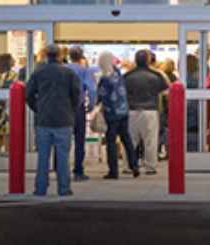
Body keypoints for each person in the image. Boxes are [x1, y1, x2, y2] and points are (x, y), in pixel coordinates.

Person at [25, 43, 81, 197]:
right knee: (63, 157)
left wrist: (38, 108)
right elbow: (77, 96)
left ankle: (40, 188)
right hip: (64, 120)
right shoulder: (69, 73)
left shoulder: (38, 73)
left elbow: (28, 95)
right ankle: (64, 188)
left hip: (44, 120)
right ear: (60, 56)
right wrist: (71, 111)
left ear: (46, 56)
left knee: (43, 157)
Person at [95, 51, 140, 179]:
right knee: (126, 139)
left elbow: (101, 95)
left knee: (111, 142)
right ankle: (134, 165)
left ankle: (113, 171)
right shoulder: (118, 74)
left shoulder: (104, 78)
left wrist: (96, 105)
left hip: (111, 113)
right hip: (123, 111)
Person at [124, 49, 169, 175]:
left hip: (131, 110)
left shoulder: (127, 76)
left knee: (130, 140)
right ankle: (150, 166)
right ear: (148, 60)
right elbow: (165, 90)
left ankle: (129, 165)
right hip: (150, 110)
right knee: (150, 140)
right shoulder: (156, 75)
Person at [66, 46, 97, 178]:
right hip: (78, 108)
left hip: (63, 108)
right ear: (81, 56)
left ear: (69, 56)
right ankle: (78, 170)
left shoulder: (63, 69)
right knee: (79, 140)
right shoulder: (84, 71)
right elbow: (92, 89)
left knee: (63, 139)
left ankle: (60, 167)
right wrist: (91, 104)